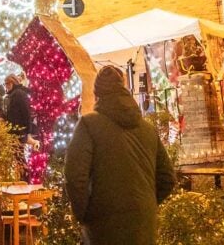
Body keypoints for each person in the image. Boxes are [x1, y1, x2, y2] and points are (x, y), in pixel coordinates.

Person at [65, 66, 177, 245]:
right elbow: (168, 179)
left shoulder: (88, 124)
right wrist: (144, 203)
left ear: (97, 94)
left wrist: (84, 214)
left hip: (103, 225)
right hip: (143, 224)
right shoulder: (148, 129)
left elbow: (74, 176)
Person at [3, 74, 33, 178]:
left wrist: (27, 131)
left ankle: (25, 179)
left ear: (11, 83)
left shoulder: (19, 94)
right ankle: (22, 178)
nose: (5, 87)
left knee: (19, 158)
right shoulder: (13, 95)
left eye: (6, 84)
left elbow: (26, 112)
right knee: (18, 157)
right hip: (15, 131)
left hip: (19, 132)